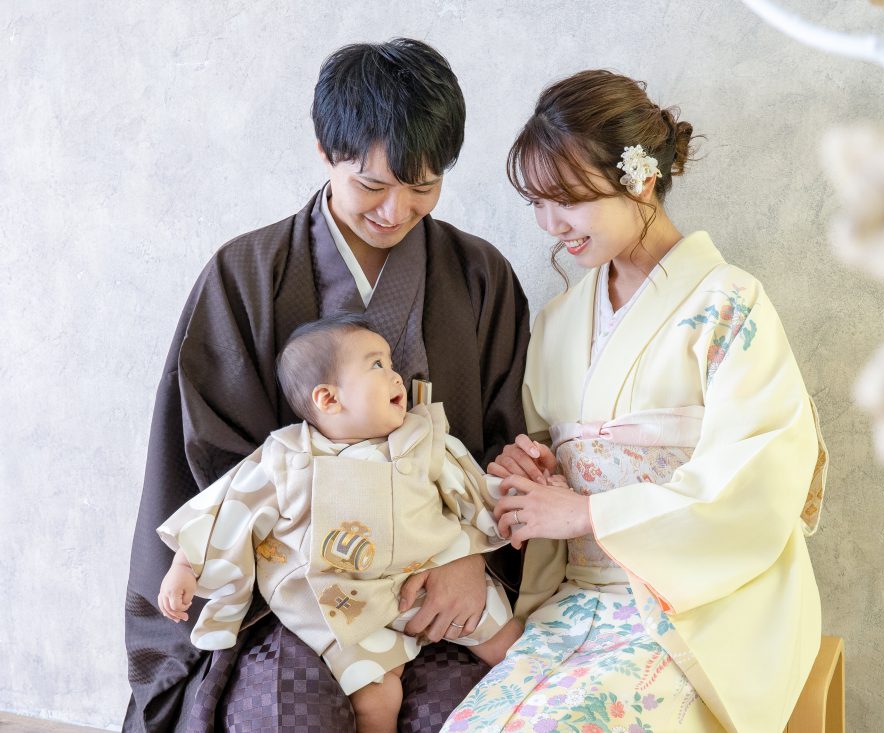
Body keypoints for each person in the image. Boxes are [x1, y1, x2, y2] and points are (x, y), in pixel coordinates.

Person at [125, 39, 530, 732]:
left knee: (469, 717)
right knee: (287, 714)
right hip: (295, 600)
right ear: (324, 148)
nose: (396, 210)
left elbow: (503, 443)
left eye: (423, 186)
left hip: (439, 584)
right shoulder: (245, 275)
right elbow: (209, 467)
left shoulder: (478, 276)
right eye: (372, 185)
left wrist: (473, 561)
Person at [441, 69, 829, 733]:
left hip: (698, 610)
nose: (549, 224)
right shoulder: (562, 318)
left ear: (639, 179)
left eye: (565, 199)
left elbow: (759, 483)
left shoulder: (730, 305)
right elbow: (549, 476)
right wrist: (532, 473)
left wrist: (587, 510)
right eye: (537, 203)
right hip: (576, 604)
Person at [157, 314, 523, 733]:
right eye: (377, 366)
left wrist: (513, 507)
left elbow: (473, 490)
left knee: (507, 642)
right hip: (347, 605)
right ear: (329, 400)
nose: (397, 377)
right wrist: (185, 566)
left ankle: (542, 706)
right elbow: (227, 510)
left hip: (432, 577)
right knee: (376, 697)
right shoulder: (287, 458)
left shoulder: (422, 438)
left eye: (391, 363)